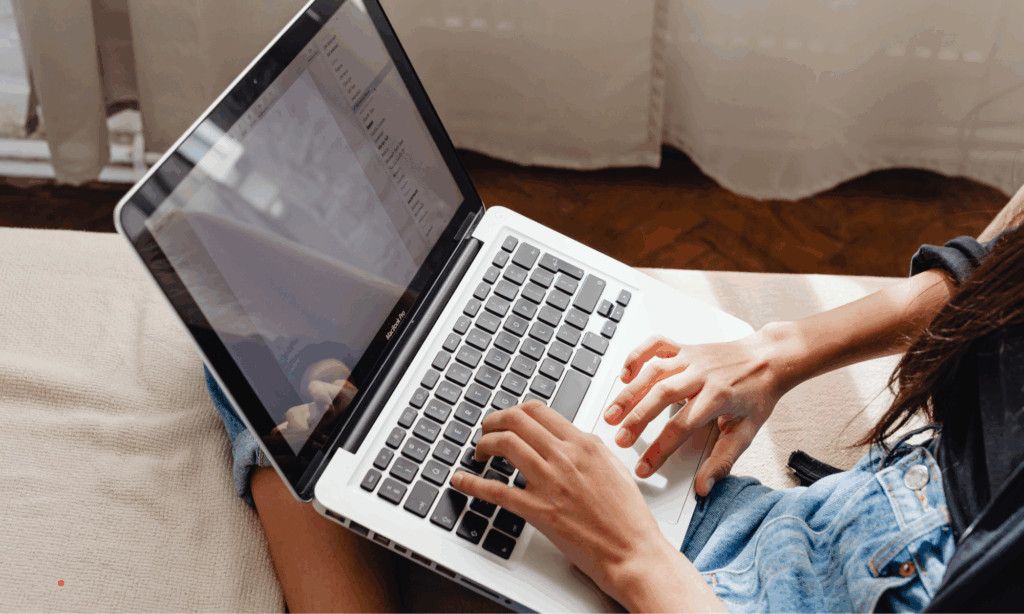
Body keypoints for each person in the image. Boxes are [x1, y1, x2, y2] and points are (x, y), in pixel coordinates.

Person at [207, 201, 1023, 612]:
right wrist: (781, 349)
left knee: (256, 360)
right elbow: (995, 271)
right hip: (814, 527)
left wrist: (634, 558)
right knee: (245, 266)